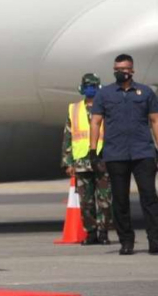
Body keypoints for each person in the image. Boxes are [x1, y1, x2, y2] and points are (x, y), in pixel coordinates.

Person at [89, 54, 158, 255]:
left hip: (142, 152)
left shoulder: (145, 92)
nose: (120, 72)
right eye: (116, 69)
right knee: (119, 199)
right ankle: (126, 241)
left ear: (132, 70)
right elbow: (95, 122)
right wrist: (93, 151)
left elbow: (155, 121)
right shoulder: (105, 94)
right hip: (115, 153)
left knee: (149, 197)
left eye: (123, 68)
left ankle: (154, 240)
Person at [60, 73, 112, 245]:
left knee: (105, 200)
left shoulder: (107, 108)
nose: (90, 89)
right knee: (86, 202)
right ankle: (91, 233)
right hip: (82, 161)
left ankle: (103, 232)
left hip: (103, 160)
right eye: (87, 85)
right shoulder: (74, 109)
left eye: (93, 86)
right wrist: (68, 162)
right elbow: (68, 136)